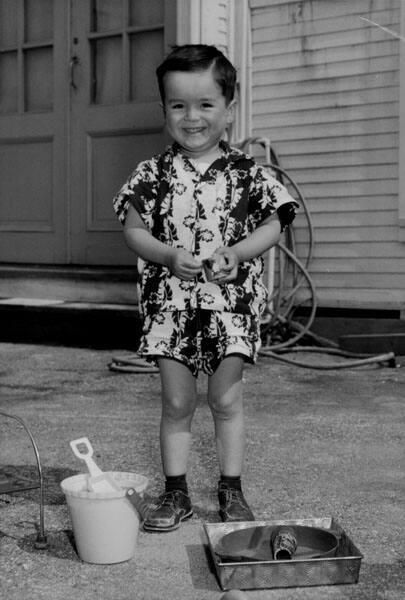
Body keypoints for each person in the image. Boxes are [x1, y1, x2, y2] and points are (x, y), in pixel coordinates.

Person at [113, 44, 298, 532]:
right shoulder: (150, 174)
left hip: (230, 308)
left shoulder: (247, 173)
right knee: (176, 403)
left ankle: (231, 489)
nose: (191, 116)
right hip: (169, 309)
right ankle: (176, 493)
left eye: (205, 104)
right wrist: (169, 255)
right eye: (178, 105)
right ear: (165, 111)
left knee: (225, 401)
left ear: (229, 111)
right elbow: (134, 231)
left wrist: (238, 253)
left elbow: (275, 224)